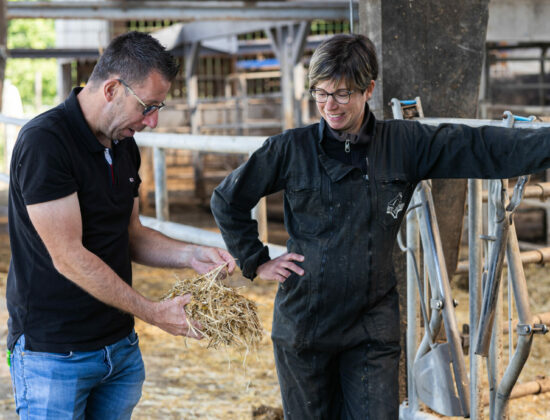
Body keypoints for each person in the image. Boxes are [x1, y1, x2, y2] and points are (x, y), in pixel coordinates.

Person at [211, 33, 550, 419]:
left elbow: (479, 147)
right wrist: (256, 260)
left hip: (370, 326)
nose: (329, 105)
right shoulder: (291, 149)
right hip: (305, 325)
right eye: (320, 93)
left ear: (368, 89)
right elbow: (227, 199)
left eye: (341, 93)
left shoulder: (403, 144)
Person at [6, 31, 235, 419]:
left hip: (118, 347)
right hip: (57, 352)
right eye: (148, 106)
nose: (153, 121)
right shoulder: (46, 143)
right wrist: (153, 311)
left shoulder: (123, 143)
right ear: (112, 88)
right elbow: (69, 257)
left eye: (158, 107)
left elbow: (132, 235)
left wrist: (191, 254)